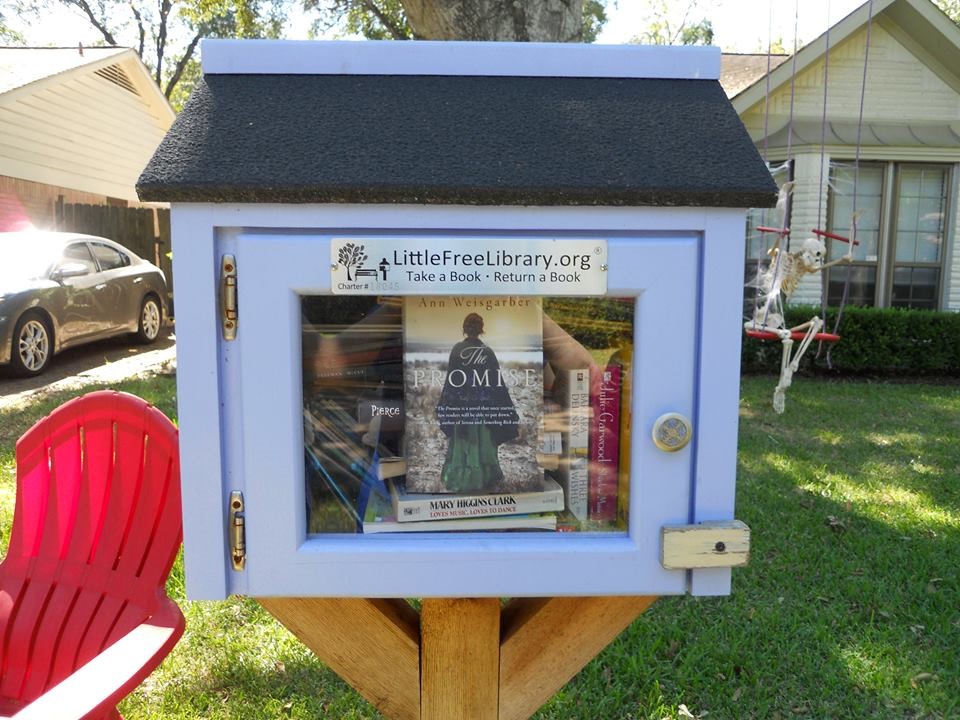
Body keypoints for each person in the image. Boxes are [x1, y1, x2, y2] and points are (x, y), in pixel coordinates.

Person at [436, 312, 520, 492]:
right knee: (483, 443)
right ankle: (484, 480)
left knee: (462, 443)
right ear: (481, 329)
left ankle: (461, 480)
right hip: (483, 410)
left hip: (461, 410)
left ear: (465, 328)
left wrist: (447, 405)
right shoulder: (487, 352)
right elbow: (497, 384)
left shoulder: (457, 350)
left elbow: (451, 382)